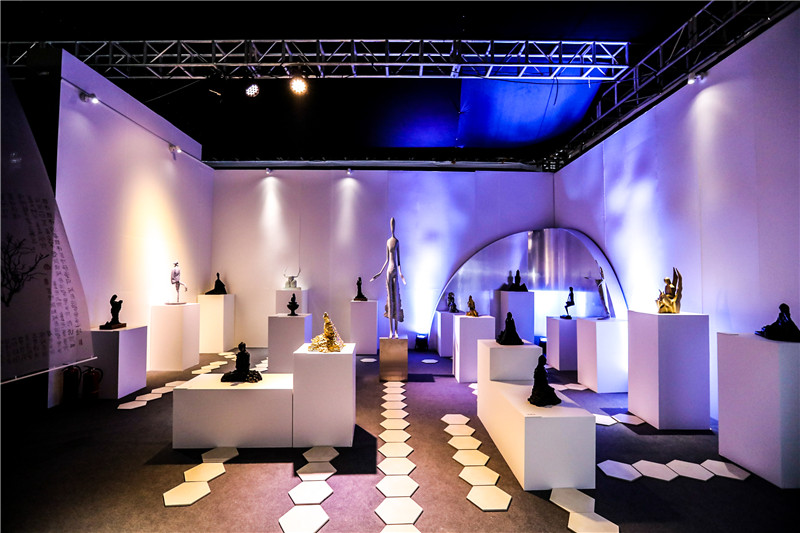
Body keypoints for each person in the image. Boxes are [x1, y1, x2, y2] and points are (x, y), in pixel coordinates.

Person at [371, 217, 405, 339]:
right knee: (390, 301)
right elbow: (386, 260)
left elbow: (399, 261)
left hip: (395, 270)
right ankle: (390, 331)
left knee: (396, 300)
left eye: (393, 225)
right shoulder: (388, 241)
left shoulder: (397, 242)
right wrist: (379, 273)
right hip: (388, 272)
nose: (392, 228)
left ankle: (396, 331)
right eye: (391, 225)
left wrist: (401, 275)